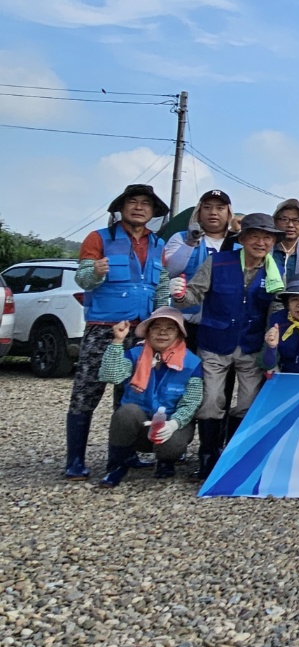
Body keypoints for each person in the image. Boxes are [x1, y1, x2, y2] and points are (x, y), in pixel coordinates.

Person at [66, 183, 171, 481]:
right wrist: (95, 271)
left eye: (145, 204)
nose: (139, 207)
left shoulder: (158, 244)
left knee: (131, 394)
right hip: (104, 328)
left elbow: (162, 286)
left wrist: (160, 321)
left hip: (141, 331)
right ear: (121, 208)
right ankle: (74, 461)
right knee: (86, 392)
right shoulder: (98, 237)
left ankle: (124, 456)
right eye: (132, 202)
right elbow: (83, 279)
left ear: (153, 212)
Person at [170, 212, 284, 479]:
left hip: (252, 343)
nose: (261, 242)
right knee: (210, 400)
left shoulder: (275, 270)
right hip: (215, 341)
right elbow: (193, 295)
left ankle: (232, 455)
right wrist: (179, 294)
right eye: (254, 236)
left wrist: (272, 339)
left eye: (267, 237)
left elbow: (278, 305)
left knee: (248, 402)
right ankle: (207, 458)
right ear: (242, 239)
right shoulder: (218, 262)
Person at [92, 307, 203, 487]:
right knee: (126, 413)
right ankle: (117, 466)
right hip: (141, 424)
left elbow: (191, 402)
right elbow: (111, 376)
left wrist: (174, 424)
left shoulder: (192, 363)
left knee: (173, 444)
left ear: (179, 334)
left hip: (171, 424)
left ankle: (166, 461)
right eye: (156, 327)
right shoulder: (134, 354)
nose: (162, 332)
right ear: (148, 332)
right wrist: (117, 341)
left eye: (170, 328)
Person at [163, 189, 235, 349]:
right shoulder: (180, 237)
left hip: (221, 322)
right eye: (207, 207)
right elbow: (169, 271)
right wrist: (190, 243)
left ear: (229, 213)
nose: (213, 212)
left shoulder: (238, 243)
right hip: (184, 320)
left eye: (220, 208)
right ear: (199, 211)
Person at [270, 197, 299, 281]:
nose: (290, 225)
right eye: (284, 219)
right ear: (275, 222)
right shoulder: (265, 249)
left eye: (296, 220)